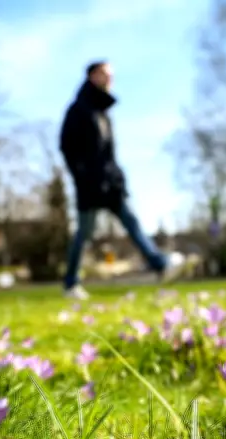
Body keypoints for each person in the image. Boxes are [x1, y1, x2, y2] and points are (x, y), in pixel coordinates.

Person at [58, 60, 179, 300]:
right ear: (92, 76)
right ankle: (71, 283)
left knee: (131, 221)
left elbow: (108, 154)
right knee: (84, 233)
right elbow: (67, 147)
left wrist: (117, 178)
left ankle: (159, 264)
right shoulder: (79, 110)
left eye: (111, 75)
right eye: (104, 74)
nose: (109, 79)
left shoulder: (103, 113)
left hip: (110, 184)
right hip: (90, 185)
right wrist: (82, 177)